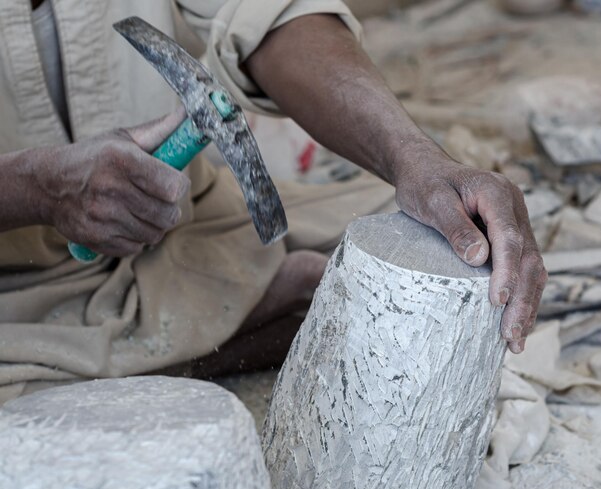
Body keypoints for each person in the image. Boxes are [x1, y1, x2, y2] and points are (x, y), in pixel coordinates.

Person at [0, 0, 546, 403]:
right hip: (13, 279)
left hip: (181, 224)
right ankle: (187, 343)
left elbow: (272, 14)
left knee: (415, 239)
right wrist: (35, 188)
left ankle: (198, 326)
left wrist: (416, 159)